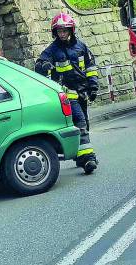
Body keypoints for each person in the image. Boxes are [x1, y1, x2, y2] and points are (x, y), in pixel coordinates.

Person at [34, 12, 99, 174]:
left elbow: (90, 67)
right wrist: (45, 66)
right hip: (67, 94)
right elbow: (39, 64)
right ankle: (88, 159)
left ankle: (80, 155)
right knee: (79, 121)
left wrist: (93, 87)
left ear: (71, 30)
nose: (62, 33)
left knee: (84, 124)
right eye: (59, 31)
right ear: (55, 33)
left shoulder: (81, 46)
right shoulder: (52, 50)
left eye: (65, 30)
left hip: (82, 92)